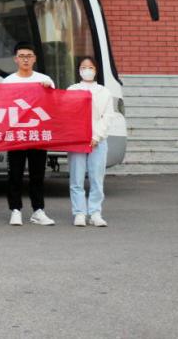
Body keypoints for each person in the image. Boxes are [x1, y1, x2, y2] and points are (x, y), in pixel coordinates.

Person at [3, 42, 57, 227]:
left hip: (37, 134)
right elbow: (1, 106)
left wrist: (49, 90)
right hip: (16, 135)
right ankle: (15, 210)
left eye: (29, 56)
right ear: (15, 59)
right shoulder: (8, 81)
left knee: (37, 174)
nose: (25, 59)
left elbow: (54, 104)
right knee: (15, 174)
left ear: (34, 58)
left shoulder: (44, 79)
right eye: (22, 56)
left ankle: (38, 210)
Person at [68, 56, 112, 227]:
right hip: (77, 140)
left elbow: (107, 116)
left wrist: (96, 136)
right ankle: (79, 212)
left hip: (98, 141)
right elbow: (68, 114)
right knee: (76, 179)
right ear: (79, 70)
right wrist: (78, 135)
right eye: (83, 67)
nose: (87, 70)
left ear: (96, 70)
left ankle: (95, 212)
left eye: (90, 67)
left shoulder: (104, 92)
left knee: (96, 178)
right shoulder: (72, 89)